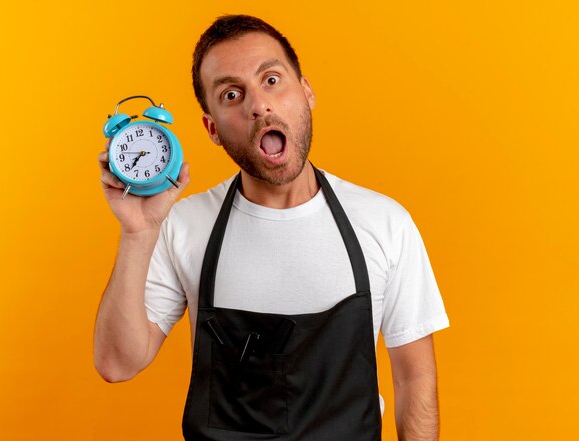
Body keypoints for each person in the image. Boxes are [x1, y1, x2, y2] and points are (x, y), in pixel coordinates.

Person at [94, 14, 449, 441]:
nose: (258, 104)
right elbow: (116, 363)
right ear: (212, 129)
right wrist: (137, 234)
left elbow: (414, 380)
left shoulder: (385, 222)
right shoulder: (183, 226)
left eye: (272, 80)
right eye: (231, 94)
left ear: (307, 91)